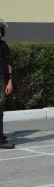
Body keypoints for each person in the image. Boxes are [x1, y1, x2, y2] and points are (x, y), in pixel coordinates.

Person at [0, 19, 15, 148]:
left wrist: (9, 80)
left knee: (0, 108)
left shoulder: (4, 46)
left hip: (1, 78)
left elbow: (8, 63)